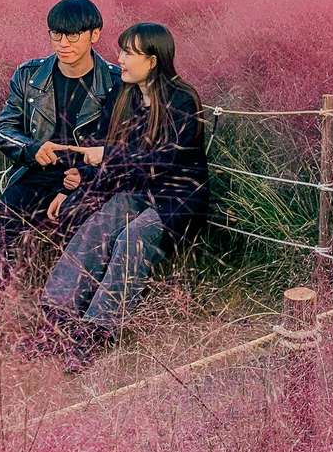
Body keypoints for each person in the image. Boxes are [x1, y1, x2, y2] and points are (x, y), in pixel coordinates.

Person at [0, 0, 122, 365]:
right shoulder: (30, 75)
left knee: (87, 231)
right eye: (56, 34)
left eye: (74, 35)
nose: (63, 43)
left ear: (95, 34)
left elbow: (123, 145)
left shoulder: (113, 81)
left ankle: (70, 330)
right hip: (36, 174)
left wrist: (86, 175)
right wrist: (33, 149)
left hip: (89, 180)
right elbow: (4, 128)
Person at [38, 23, 209, 373]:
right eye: (121, 52)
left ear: (153, 59)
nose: (120, 60)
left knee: (133, 238)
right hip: (134, 190)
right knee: (98, 225)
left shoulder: (182, 99)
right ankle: (55, 317)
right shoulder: (123, 94)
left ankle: (95, 331)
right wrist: (71, 187)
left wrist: (111, 156)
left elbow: (165, 160)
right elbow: (97, 146)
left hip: (177, 198)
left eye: (128, 53)